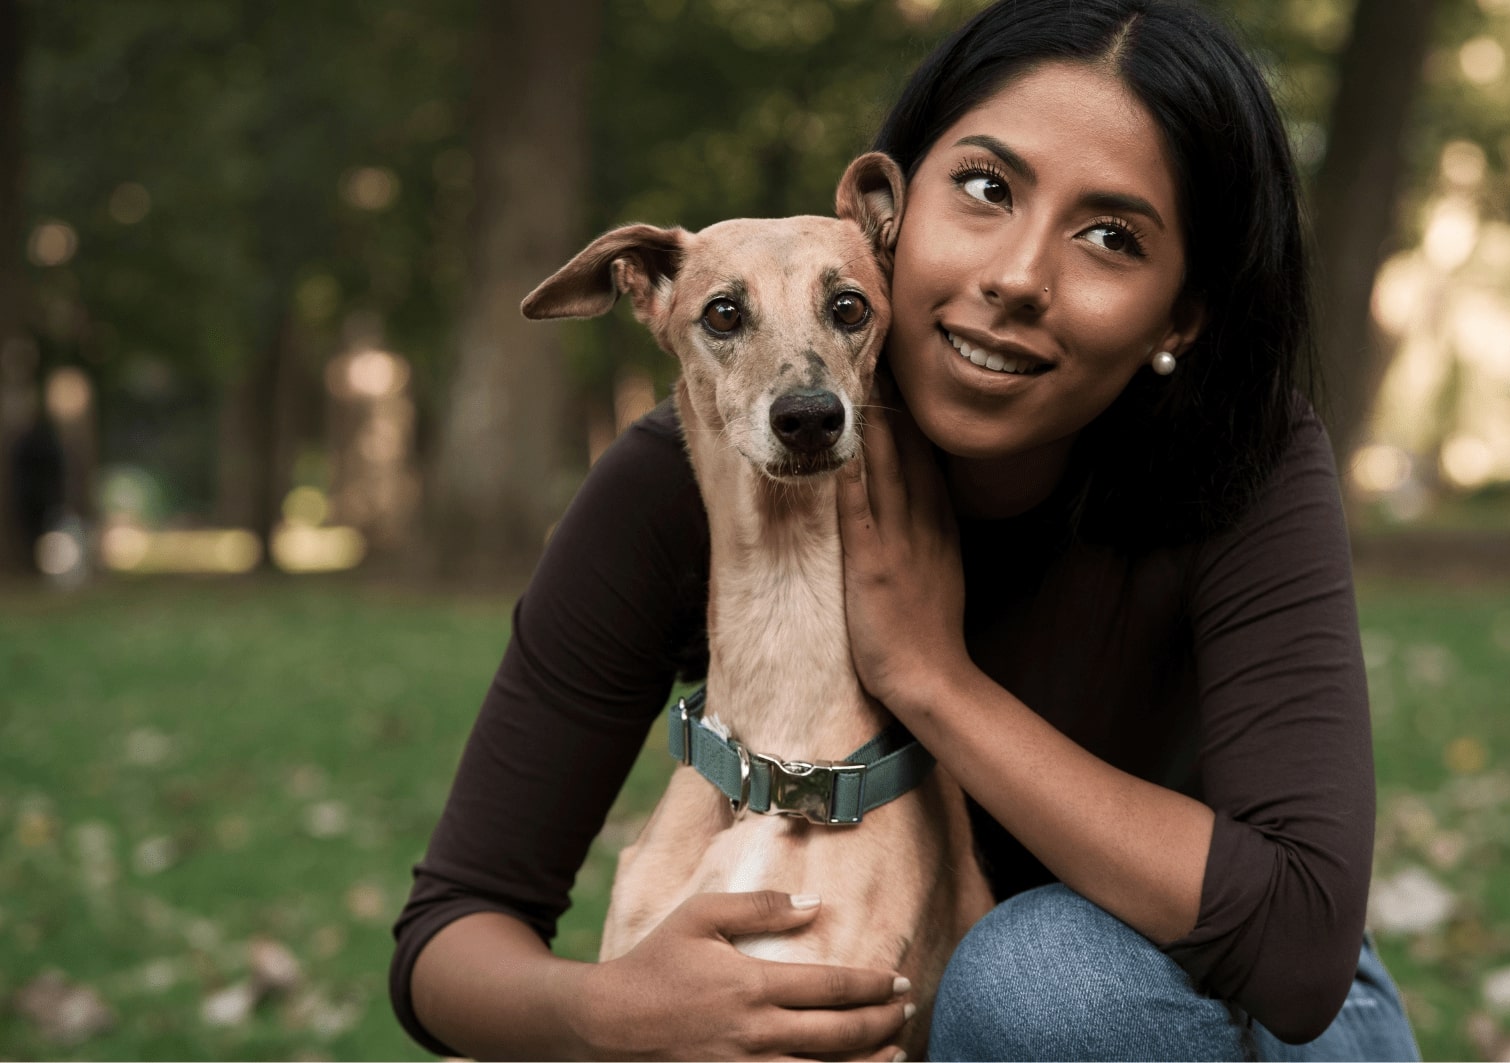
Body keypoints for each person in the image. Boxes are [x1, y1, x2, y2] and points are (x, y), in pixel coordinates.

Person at [390, 1, 1423, 1059]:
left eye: (1111, 236)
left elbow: (1299, 951)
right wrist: (612, 1011)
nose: (1018, 277)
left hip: (1199, 997)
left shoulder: (1242, 456)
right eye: (985, 189)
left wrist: (932, 675)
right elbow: (451, 932)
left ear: (1181, 314)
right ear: (894, 210)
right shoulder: (687, 472)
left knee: (1036, 980)